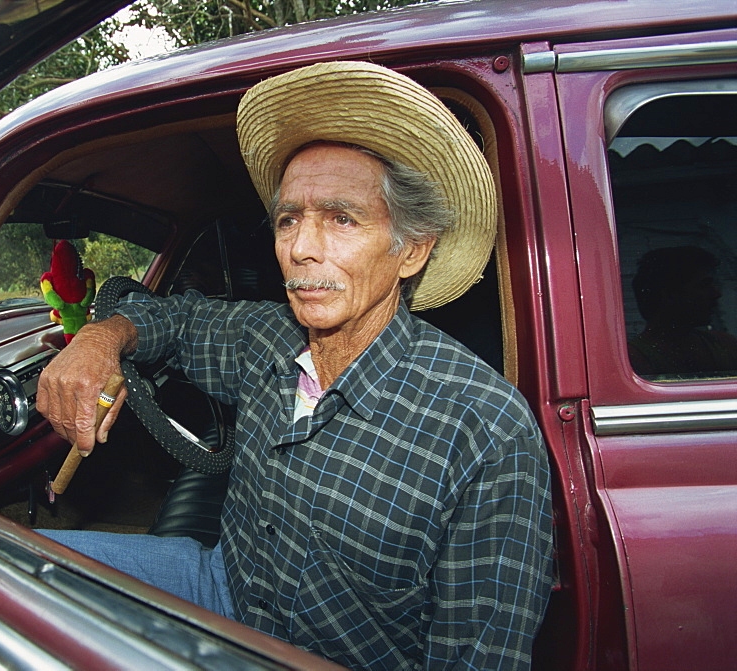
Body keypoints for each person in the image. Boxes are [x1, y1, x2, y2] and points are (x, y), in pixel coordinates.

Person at [37, 61, 552, 670]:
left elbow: (478, 661)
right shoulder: (266, 338)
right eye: (289, 219)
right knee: (6, 566)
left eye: (341, 219)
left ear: (411, 250)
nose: (301, 248)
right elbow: (174, 321)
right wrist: (101, 338)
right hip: (219, 588)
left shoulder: (486, 431)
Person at [628, 245, 737, 378]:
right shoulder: (634, 360)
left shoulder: (724, 345)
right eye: (703, 285)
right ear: (669, 294)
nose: (716, 294)